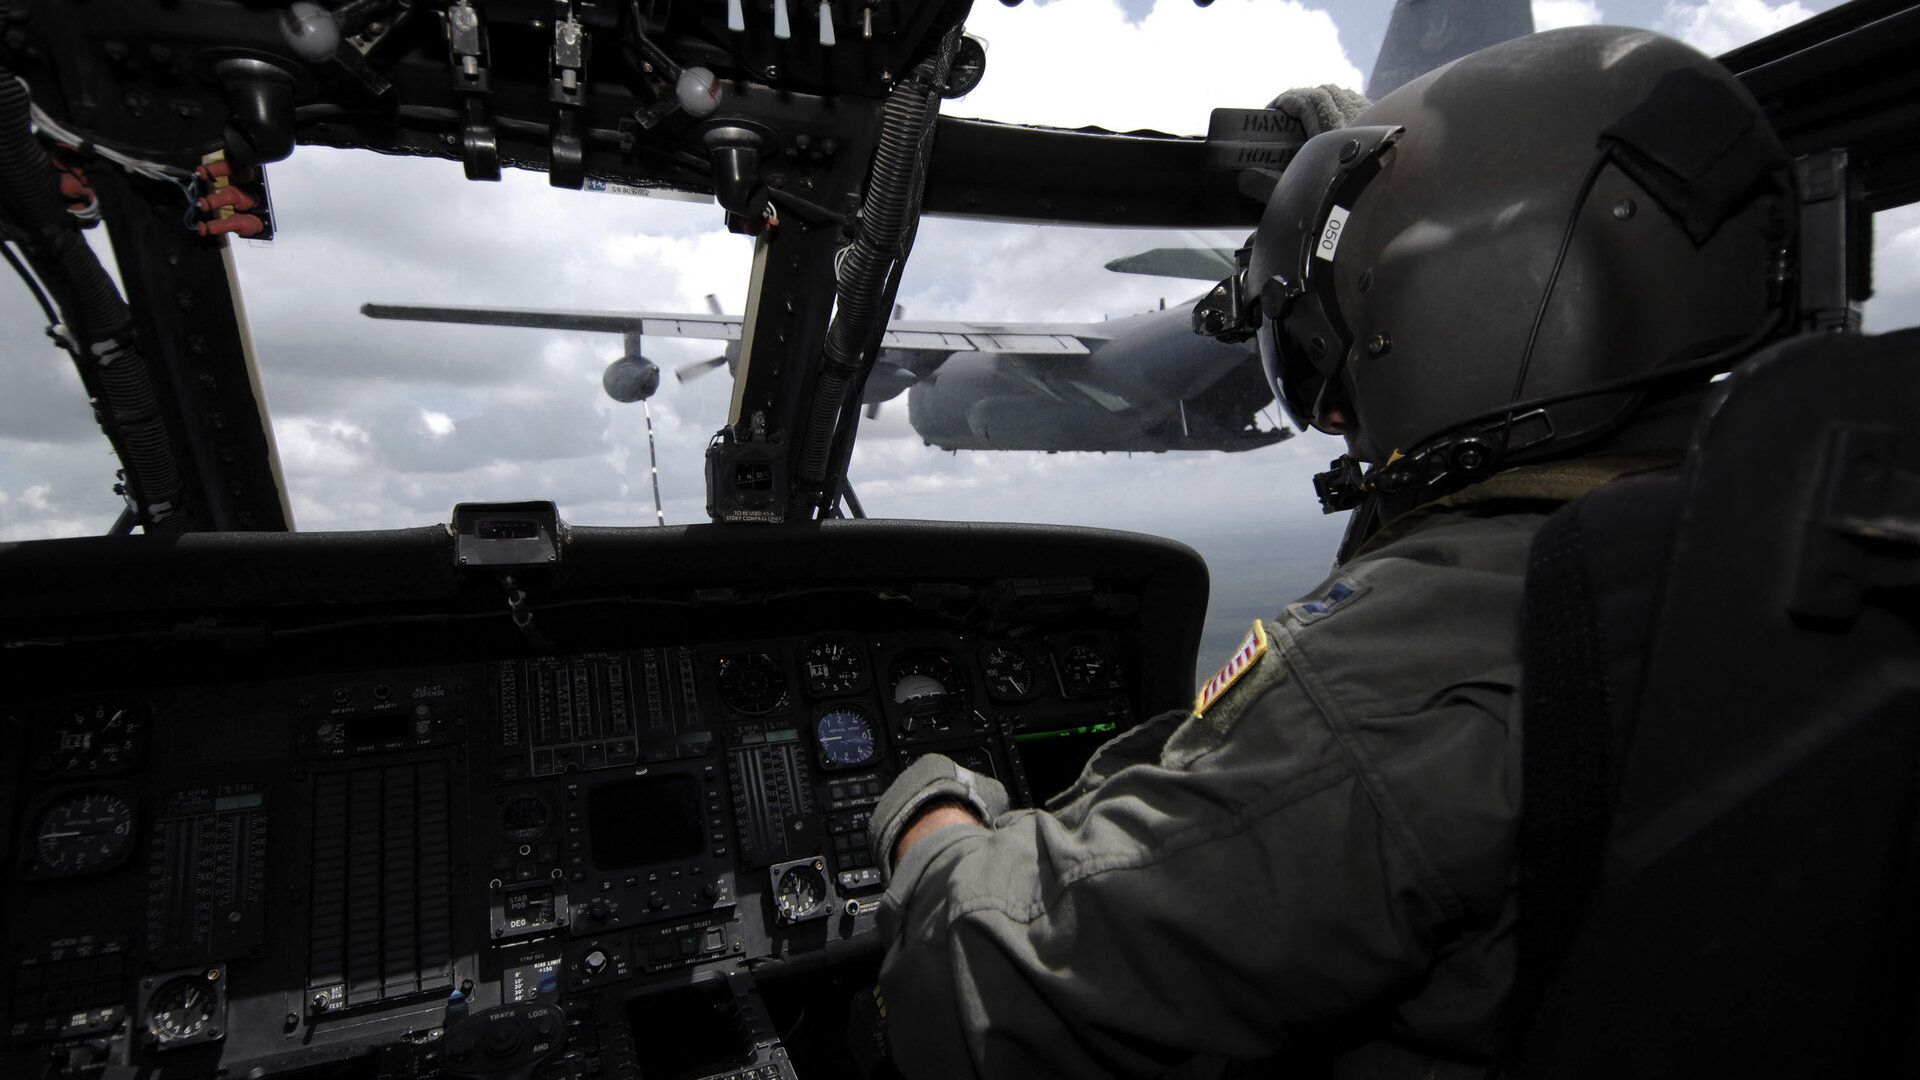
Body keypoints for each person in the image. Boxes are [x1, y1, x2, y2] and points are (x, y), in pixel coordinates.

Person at [866, 26, 1796, 1079]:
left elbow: (989, 995)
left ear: (1447, 300)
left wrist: (929, 812)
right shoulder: (1774, 535)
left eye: (1345, 302)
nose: (1323, 354)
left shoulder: (1410, 679)